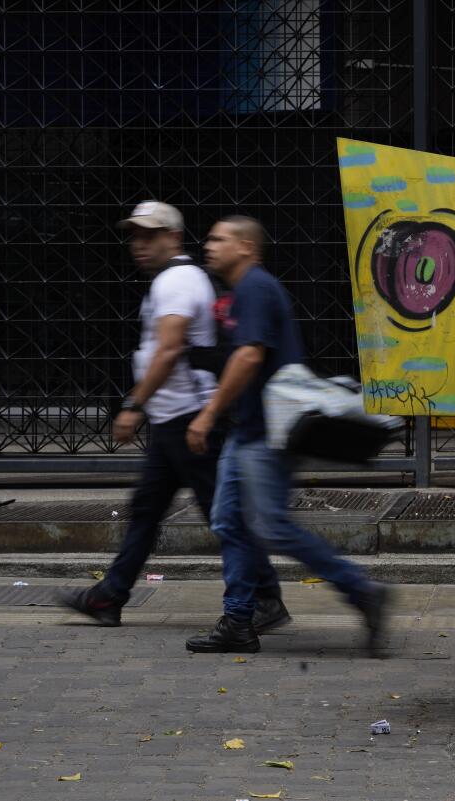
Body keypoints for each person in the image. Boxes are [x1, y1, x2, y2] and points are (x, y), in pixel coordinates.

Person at [59, 202, 288, 630]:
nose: (139, 245)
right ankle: (109, 596)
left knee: (223, 516)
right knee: (149, 511)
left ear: (174, 238)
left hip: (190, 422)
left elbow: (168, 349)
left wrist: (134, 405)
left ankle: (266, 597)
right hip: (175, 422)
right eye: (134, 236)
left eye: (150, 235)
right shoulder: (175, 279)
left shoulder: (178, 281)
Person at [184, 216, 389, 655]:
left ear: (245, 246)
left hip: (265, 436)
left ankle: (362, 590)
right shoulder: (244, 292)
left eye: (218, 239)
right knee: (229, 521)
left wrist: (208, 414)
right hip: (247, 432)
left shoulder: (256, 287)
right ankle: (238, 619)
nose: (209, 245)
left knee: (272, 527)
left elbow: (249, 355)